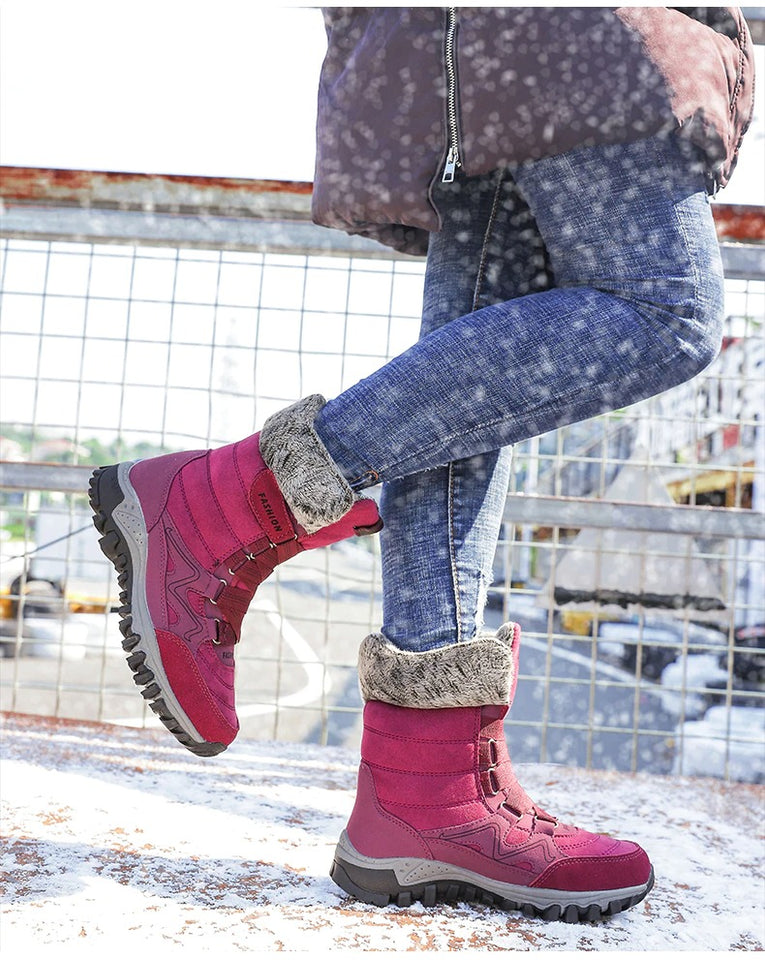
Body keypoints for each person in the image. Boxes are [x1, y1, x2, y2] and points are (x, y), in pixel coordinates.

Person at [89, 6, 754, 923]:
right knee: (663, 312)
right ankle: (221, 506)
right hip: (579, 30)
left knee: (466, 410)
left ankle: (423, 797)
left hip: (472, 49)